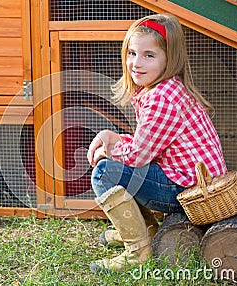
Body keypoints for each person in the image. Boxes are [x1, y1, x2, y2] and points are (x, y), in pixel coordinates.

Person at [87, 13, 227, 272]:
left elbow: (139, 157)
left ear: (169, 58)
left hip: (191, 194)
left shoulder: (162, 99)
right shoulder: (166, 88)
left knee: (105, 172)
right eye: (131, 53)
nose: (136, 63)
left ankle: (138, 250)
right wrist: (114, 138)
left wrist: (111, 150)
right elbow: (150, 145)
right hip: (189, 181)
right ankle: (145, 229)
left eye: (148, 55)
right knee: (117, 165)